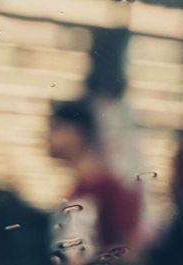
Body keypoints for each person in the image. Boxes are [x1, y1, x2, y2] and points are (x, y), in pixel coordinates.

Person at [48, 99, 143, 265]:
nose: (47, 135)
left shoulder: (105, 187)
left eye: (55, 127)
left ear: (75, 133)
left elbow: (131, 247)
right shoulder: (81, 186)